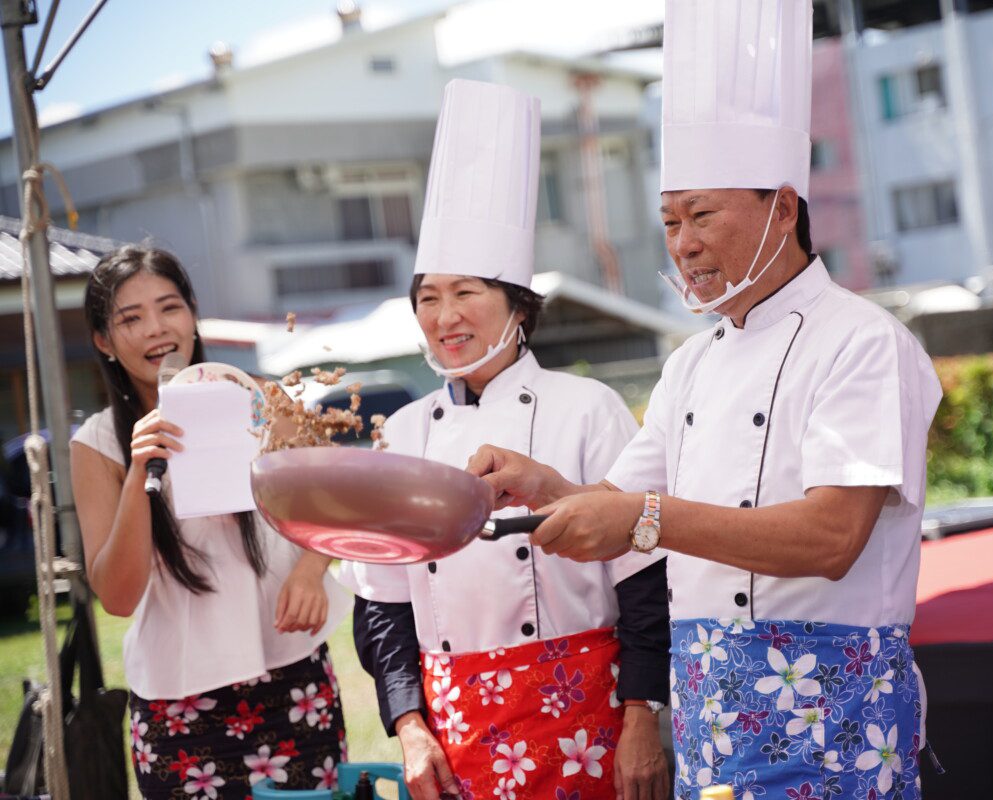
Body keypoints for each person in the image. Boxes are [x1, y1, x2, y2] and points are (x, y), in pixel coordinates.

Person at [465, 2, 944, 798]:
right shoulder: (691, 363)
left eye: (701, 215)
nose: (682, 243)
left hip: (837, 705)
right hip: (711, 705)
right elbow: (618, 504)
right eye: (668, 220)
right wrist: (544, 487)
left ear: (783, 208)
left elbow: (832, 537)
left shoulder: (862, 341)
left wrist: (646, 517)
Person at [341, 79, 672, 800]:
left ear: (517, 304)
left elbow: (646, 583)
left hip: (587, 712)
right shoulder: (400, 433)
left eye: (466, 293)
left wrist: (643, 715)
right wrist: (409, 726)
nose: (444, 315)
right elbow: (382, 604)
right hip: (453, 722)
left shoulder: (588, 408)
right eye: (427, 297)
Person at [71, 246, 352, 798]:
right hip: (180, 704)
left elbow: (334, 500)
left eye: (169, 307)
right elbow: (118, 597)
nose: (156, 329)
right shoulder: (98, 443)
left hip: (292, 678)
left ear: (193, 312)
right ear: (104, 340)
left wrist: (310, 570)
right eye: (130, 318)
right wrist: (137, 473)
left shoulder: (262, 400)